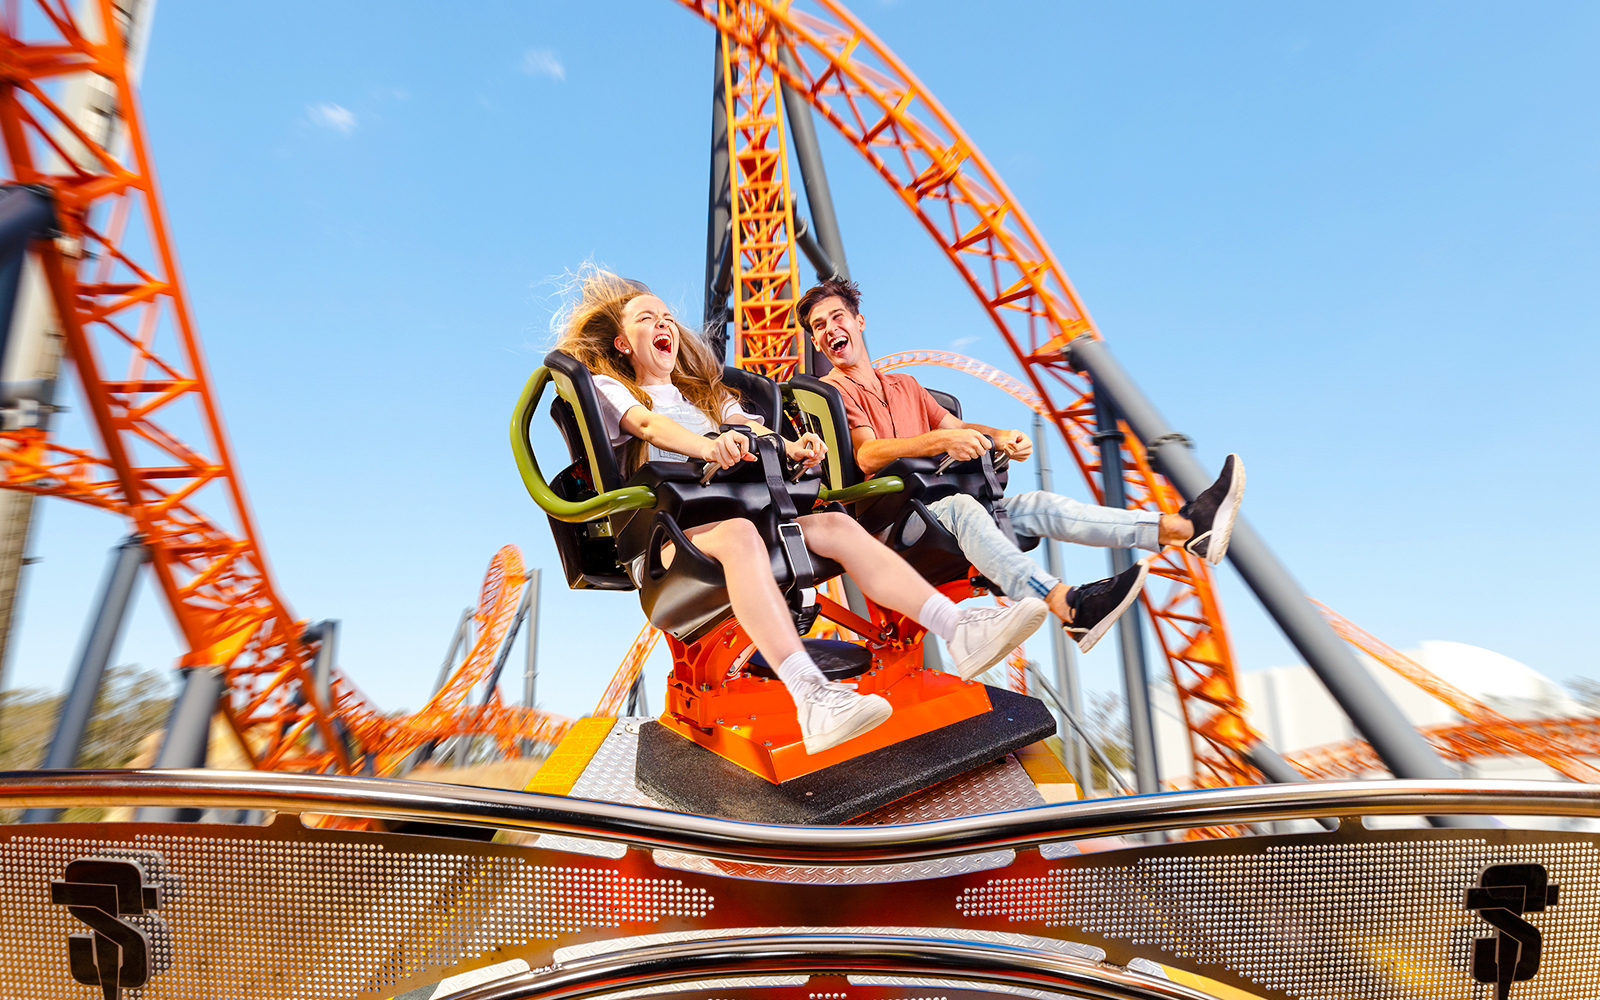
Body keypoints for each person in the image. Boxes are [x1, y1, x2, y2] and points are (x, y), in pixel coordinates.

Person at [554, 268, 1049, 754]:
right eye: (646, 318)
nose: (663, 324)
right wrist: (708, 448)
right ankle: (811, 697)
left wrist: (796, 448)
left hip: (744, 518)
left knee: (834, 524)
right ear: (622, 343)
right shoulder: (613, 389)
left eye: (666, 317)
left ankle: (956, 628)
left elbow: (753, 428)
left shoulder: (707, 396)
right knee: (740, 538)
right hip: (667, 542)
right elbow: (649, 427)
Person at [801, 277, 1244, 654]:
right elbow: (866, 454)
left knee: (1038, 505)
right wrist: (940, 440)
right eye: (818, 327)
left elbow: (954, 425)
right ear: (817, 341)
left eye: (837, 317)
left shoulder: (906, 384)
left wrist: (997, 435)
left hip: (940, 506)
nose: (829, 330)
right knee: (964, 509)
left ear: (859, 321)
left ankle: (1186, 530)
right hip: (897, 522)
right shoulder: (833, 393)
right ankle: (1068, 605)